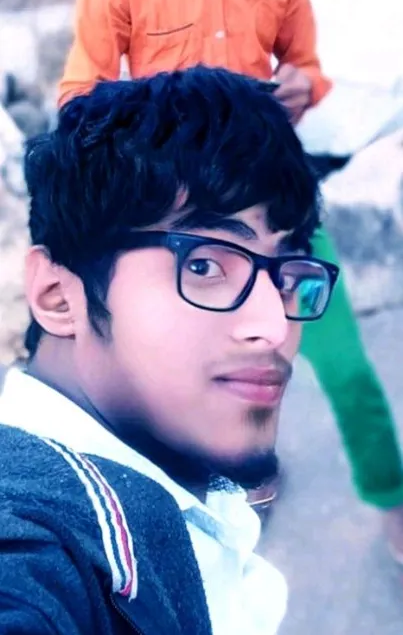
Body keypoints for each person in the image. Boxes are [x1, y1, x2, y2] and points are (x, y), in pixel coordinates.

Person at [57, 0, 403, 556]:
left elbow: (307, 68)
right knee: (184, 379)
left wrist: (298, 90)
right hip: (177, 232)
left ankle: (392, 501)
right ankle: (229, 497)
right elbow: (78, 102)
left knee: (343, 367)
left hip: (278, 209)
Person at [0, 67, 339, 634]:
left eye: (285, 275)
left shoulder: (184, 481)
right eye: (204, 264)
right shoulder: (37, 545)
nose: (275, 326)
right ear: (58, 296)